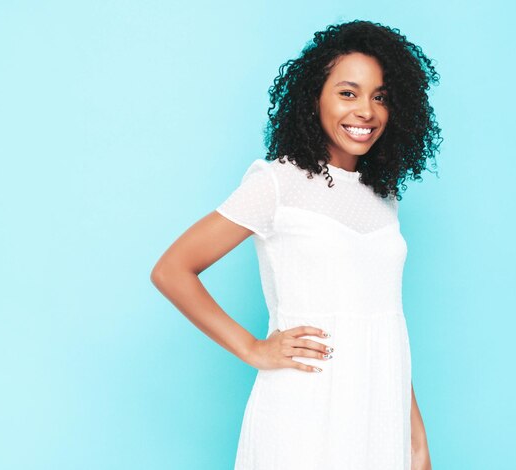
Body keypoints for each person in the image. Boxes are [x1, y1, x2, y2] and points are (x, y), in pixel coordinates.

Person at [151, 19, 441, 470]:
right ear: (315, 99)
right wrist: (252, 348)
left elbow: (383, 318)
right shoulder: (278, 183)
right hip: (305, 406)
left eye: (379, 96)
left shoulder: (384, 198)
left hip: (378, 412)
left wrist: (415, 436)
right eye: (348, 93)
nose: (365, 110)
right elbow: (172, 269)